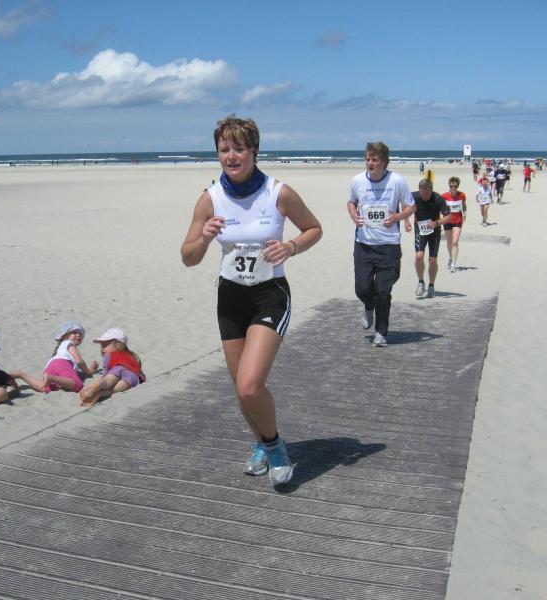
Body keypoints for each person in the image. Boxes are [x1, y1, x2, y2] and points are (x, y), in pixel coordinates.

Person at [180, 115, 322, 487]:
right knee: (240, 388)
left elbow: (314, 229)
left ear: (254, 151)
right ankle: (261, 442)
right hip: (230, 297)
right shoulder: (210, 198)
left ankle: (275, 448)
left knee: (249, 385)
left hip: (269, 295)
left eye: (239, 148)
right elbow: (188, 257)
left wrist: (290, 247)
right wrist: (204, 237)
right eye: (224, 149)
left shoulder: (278, 193)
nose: (231, 156)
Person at [348, 141, 415, 347]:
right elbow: (351, 202)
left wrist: (398, 217)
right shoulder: (357, 180)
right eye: (368, 159)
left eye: (375, 159)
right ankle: (369, 306)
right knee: (362, 289)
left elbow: (411, 206)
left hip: (388, 246)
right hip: (364, 244)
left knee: (383, 290)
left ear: (384, 162)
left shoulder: (397, 181)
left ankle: (381, 333)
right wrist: (353, 215)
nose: (370, 163)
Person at [12, 321, 99, 394]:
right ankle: (51, 378)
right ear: (65, 335)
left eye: (80, 334)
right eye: (74, 332)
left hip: (51, 366)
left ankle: (21, 375)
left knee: (44, 387)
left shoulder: (60, 349)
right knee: (78, 385)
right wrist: (89, 371)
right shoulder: (69, 344)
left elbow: (71, 371)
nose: (78, 335)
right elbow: (79, 361)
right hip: (62, 364)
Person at [404, 179, 450, 298]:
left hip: (434, 231)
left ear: (431, 190)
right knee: (419, 256)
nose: (423, 197)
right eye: (422, 194)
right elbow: (404, 204)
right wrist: (406, 220)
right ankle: (421, 282)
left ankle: (431, 285)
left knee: (432, 260)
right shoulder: (414, 196)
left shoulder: (438, 198)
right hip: (420, 229)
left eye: (426, 194)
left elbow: (449, 217)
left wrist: (437, 223)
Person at [77, 328, 145, 407]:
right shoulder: (132, 356)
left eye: (104, 346)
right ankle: (104, 393)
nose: (102, 349)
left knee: (109, 378)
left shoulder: (109, 355)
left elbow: (107, 375)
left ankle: (99, 386)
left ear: (117, 345)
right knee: (118, 387)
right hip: (133, 377)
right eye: (101, 346)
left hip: (118, 370)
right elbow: (139, 371)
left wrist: (103, 381)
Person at [440, 176, 467, 272]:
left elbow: (464, 205)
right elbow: (440, 209)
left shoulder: (462, 195)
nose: (453, 188)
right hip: (447, 221)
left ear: (458, 186)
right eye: (451, 186)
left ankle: (453, 264)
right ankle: (451, 257)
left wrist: (464, 215)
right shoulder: (444, 196)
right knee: (449, 242)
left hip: (458, 221)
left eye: (455, 186)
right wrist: (441, 218)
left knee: (455, 242)